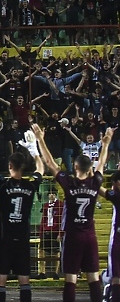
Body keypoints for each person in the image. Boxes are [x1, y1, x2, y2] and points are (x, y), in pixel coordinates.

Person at [33, 123, 113, 302]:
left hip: (73, 236)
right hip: (89, 236)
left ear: (75, 167)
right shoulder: (95, 182)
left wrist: (40, 139)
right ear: (89, 169)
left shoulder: (69, 184)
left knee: (71, 279)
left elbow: (50, 163)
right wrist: (106, 144)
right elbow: (101, 163)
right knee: (93, 278)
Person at [0, 129, 44, 302]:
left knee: (1, 278)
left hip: (4, 236)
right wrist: (34, 150)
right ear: (23, 167)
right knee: (24, 277)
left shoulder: (2, 183)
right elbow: (41, 169)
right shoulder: (30, 187)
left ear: (9, 166)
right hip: (22, 236)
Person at [100, 171, 120, 302]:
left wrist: (91, 176)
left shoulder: (117, 196)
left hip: (118, 240)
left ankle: (111, 293)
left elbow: (101, 190)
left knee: (115, 275)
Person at [39, 191, 63, 278]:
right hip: (46, 230)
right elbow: (43, 219)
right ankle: (42, 272)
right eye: (50, 193)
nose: (51, 195)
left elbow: (62, 219)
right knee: (42, 250)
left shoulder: (60, 204)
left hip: (55, 231)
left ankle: (56, 272)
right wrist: (41, 232)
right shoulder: (45, 205)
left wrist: (60, 233)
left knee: (56, 252)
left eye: (53, 193)